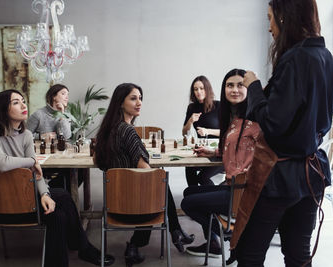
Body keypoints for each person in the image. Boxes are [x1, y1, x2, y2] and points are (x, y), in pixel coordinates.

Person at [236, 0, 333, 266]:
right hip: (310, 174)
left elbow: (273, 125)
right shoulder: (327, 58)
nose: (270, 27)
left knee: (250, 253)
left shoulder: (295, 59)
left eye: (270, 18)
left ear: (284, 18)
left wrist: (254, 87)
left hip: (279, 175)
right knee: (297, 254)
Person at [0, 89, 115, 267]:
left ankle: (80, 247)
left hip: (24, 201)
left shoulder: (26, 135)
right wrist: (31, 161)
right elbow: (2, 164)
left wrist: (44, 195)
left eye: (23, 100)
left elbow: (36, 172)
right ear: (3, 109)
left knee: (56, 213)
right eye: (16, 102)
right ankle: (82, 247)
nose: (23, 105)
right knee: (63, 197)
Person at [95, 83, 195, 266]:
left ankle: (171, 232)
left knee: (157, 184)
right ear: (120, 102)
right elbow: (145, 171)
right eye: (133, 98)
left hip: (115, 205)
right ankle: (174, 231)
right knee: (159, 182)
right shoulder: (128, 131)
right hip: (137, 209)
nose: (139, 102)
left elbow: (99, 163)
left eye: (140, 98)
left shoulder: (107, 131)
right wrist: (157, 175)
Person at [181, 69, 259, 263]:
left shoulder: (255, 118)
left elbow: (265, 152)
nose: (234, 90)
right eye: (229, 85)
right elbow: (235, 148)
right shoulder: (231, 118)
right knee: (189, 192)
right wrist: (213, 152)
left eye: (240, 85)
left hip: (241, 190)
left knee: (187, 204)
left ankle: (231, 234)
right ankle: (225, 234)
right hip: (230, 184)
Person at [27, 84, 76, 190]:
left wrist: (61, 115)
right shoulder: (38, 115)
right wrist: (41, 136)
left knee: (77, 171)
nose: (66, 97)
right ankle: (50, 190)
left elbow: (67, 136)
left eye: (67, 94)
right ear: (54, 96)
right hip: (43, 159)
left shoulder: (66, 115)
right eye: (63, 94)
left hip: (60, 157)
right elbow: (24, 136)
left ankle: (54, 190)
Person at [182, 75, 223, 186]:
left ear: (207, 89)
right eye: (196, 89)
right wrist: (190, 121)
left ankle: (212, 198)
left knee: (202, 177)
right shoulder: (192, 107)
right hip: (202, 150)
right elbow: (184, 133)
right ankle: (193, 195)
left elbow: (227, 132)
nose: (198, 92)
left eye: (201, 88)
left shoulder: (218, 106)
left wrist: (208, 131)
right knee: (189, 167)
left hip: (219, 152)